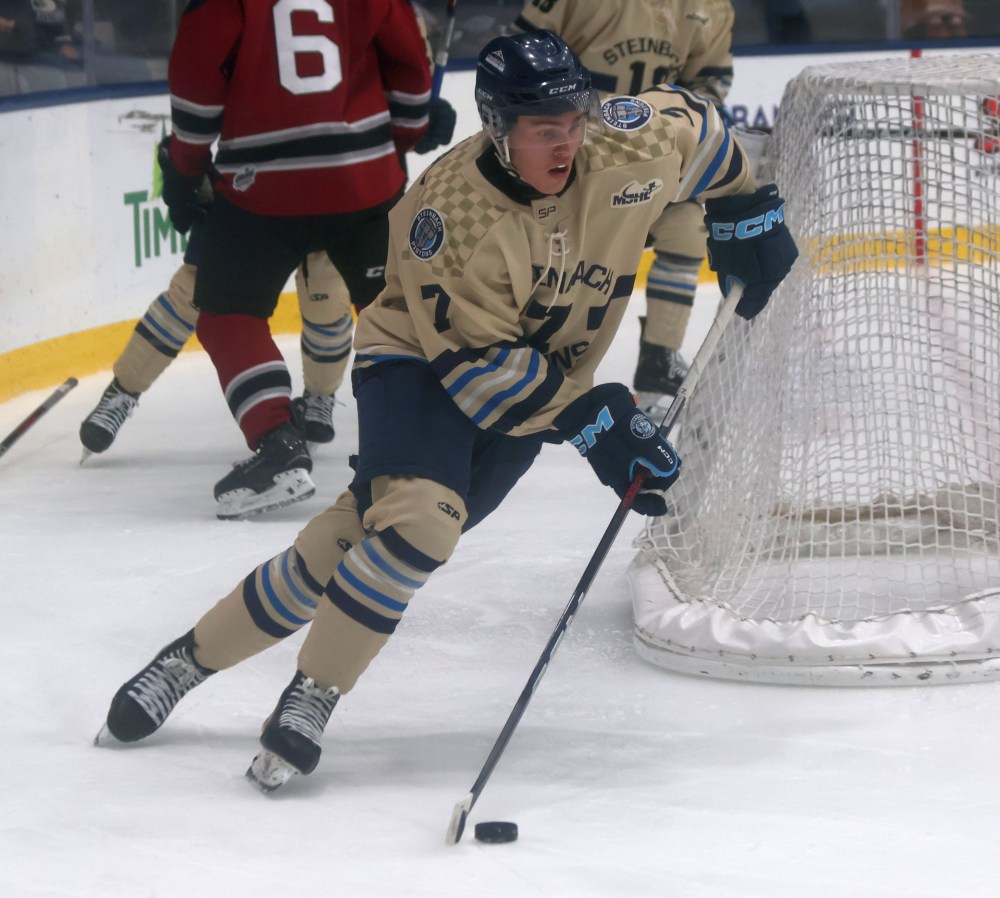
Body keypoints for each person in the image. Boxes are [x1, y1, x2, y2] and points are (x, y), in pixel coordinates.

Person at [95, 31, 797, 793]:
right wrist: (598, 422)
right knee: (422, 525)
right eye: (542, 130)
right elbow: (478, 363)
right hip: (423, 364)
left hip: (538, 383)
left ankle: (184, 661)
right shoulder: (453, 210)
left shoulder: (627, 138)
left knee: (347, 542)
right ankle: (313, 695)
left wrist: (744, 206)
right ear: (498, 129)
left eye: (573, 121)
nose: (566, 143)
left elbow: (701, 126)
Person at [159, 0, 434, 519]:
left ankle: (275, 441)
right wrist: (401, 137)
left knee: (226, 313)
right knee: (394, 309)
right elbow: (413, 73)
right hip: (365, 179)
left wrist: (185, 166)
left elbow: (196, 83)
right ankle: (427, 442)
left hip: (261, 186)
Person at [513, 0, 739, 415]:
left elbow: (708, 81)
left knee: (687, 226)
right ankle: (526, 354)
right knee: (552, 248)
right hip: (570, 148)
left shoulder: (710, 6)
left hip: (650, 154)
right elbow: (519, 57)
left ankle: (658, 358)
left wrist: (673, 127)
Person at [78, 223, 355, 466]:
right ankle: (122, 391)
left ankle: (320, 395)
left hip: (320, 188)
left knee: (326, 294)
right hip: (247, 183)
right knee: (193, 292)